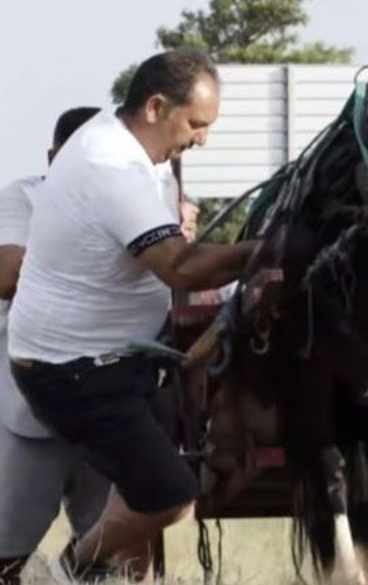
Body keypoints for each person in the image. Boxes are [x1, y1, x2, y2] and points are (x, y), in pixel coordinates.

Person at [7, 49, 260, 581]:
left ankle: (86, 568)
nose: (202, 139)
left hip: (114, 364)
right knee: (168, 494)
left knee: (140, 523)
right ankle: (65, 572)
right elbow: (181, 268)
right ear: (154, 107)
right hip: (73, 373)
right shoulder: (109, 165)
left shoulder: (138, 155)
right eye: (196, 124)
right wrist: (269, 248)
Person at [0, 107, 110, 585]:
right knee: (7, 550)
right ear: (53, 158)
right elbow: (9, 274)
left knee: (113, 552)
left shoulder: (133, 204)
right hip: (27, 407)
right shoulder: (22, 198)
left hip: (112, 403)